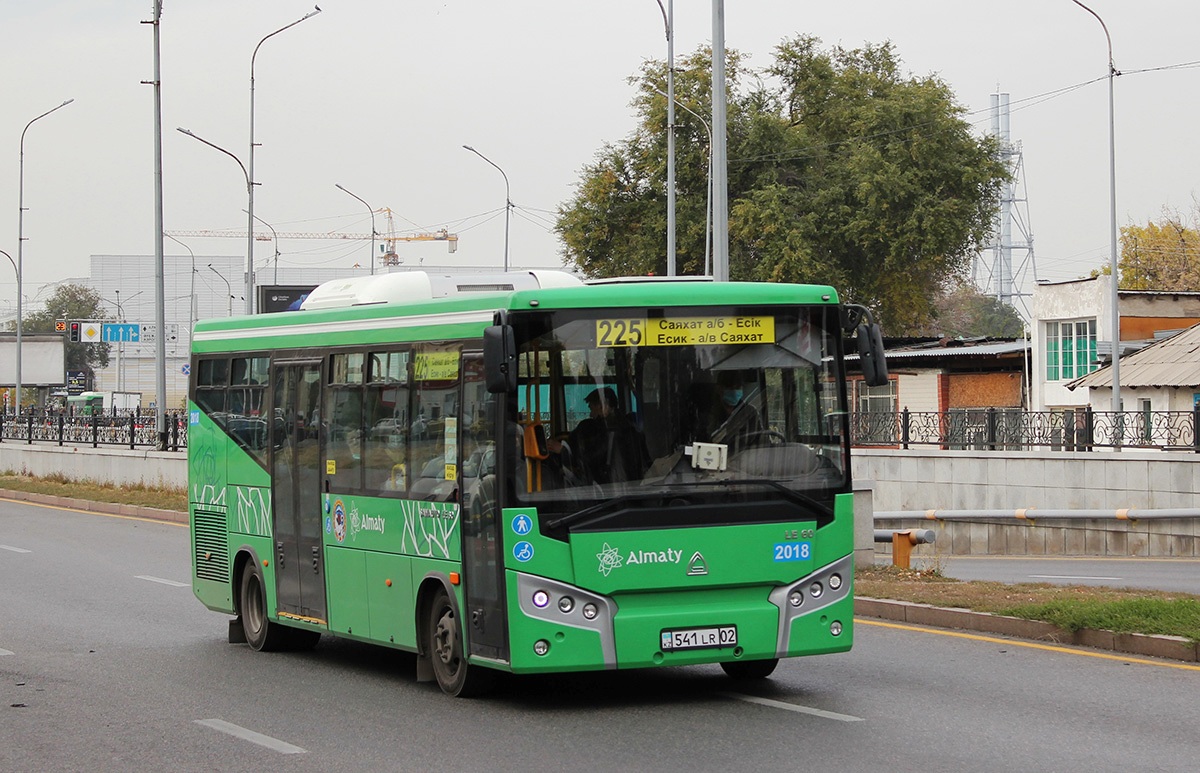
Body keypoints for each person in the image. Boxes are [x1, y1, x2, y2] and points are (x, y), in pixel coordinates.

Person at [549, 387, 649, 485]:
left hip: (612, 490)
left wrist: (563, 450)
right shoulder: (630, 426)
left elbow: (591, 458)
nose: (591, 414)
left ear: (602, 406)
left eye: (592, 409)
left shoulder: (610, 430)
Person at [704, 371, 765, 451]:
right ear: (719, 389)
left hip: (746, 460)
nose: (735, 392)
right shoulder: (709, 413)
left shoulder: (750, 412)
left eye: (738, 388)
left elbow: (761, 441)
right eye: (730, 388)